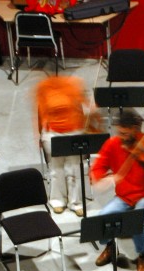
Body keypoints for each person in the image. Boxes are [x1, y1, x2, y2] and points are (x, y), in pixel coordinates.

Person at [89, 109, 144, 271]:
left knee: (136, 221)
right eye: (119, 132)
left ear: (134, 130)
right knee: (104, 217)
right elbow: (98, 166)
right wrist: (99, 178)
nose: (121, 136)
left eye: (125, 133)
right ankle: (110, 247)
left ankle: (142, 256)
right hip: (124, 197)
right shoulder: (113, 144)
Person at [36, 75, 90, 215]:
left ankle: (76, 202)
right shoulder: (44, 88)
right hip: (52, 133)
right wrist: (39, 135)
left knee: (74, 169)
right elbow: (40, 113)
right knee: (56, 169)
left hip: (73, 132)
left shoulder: (73, 86)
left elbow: (82, 109)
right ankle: (57, 200)